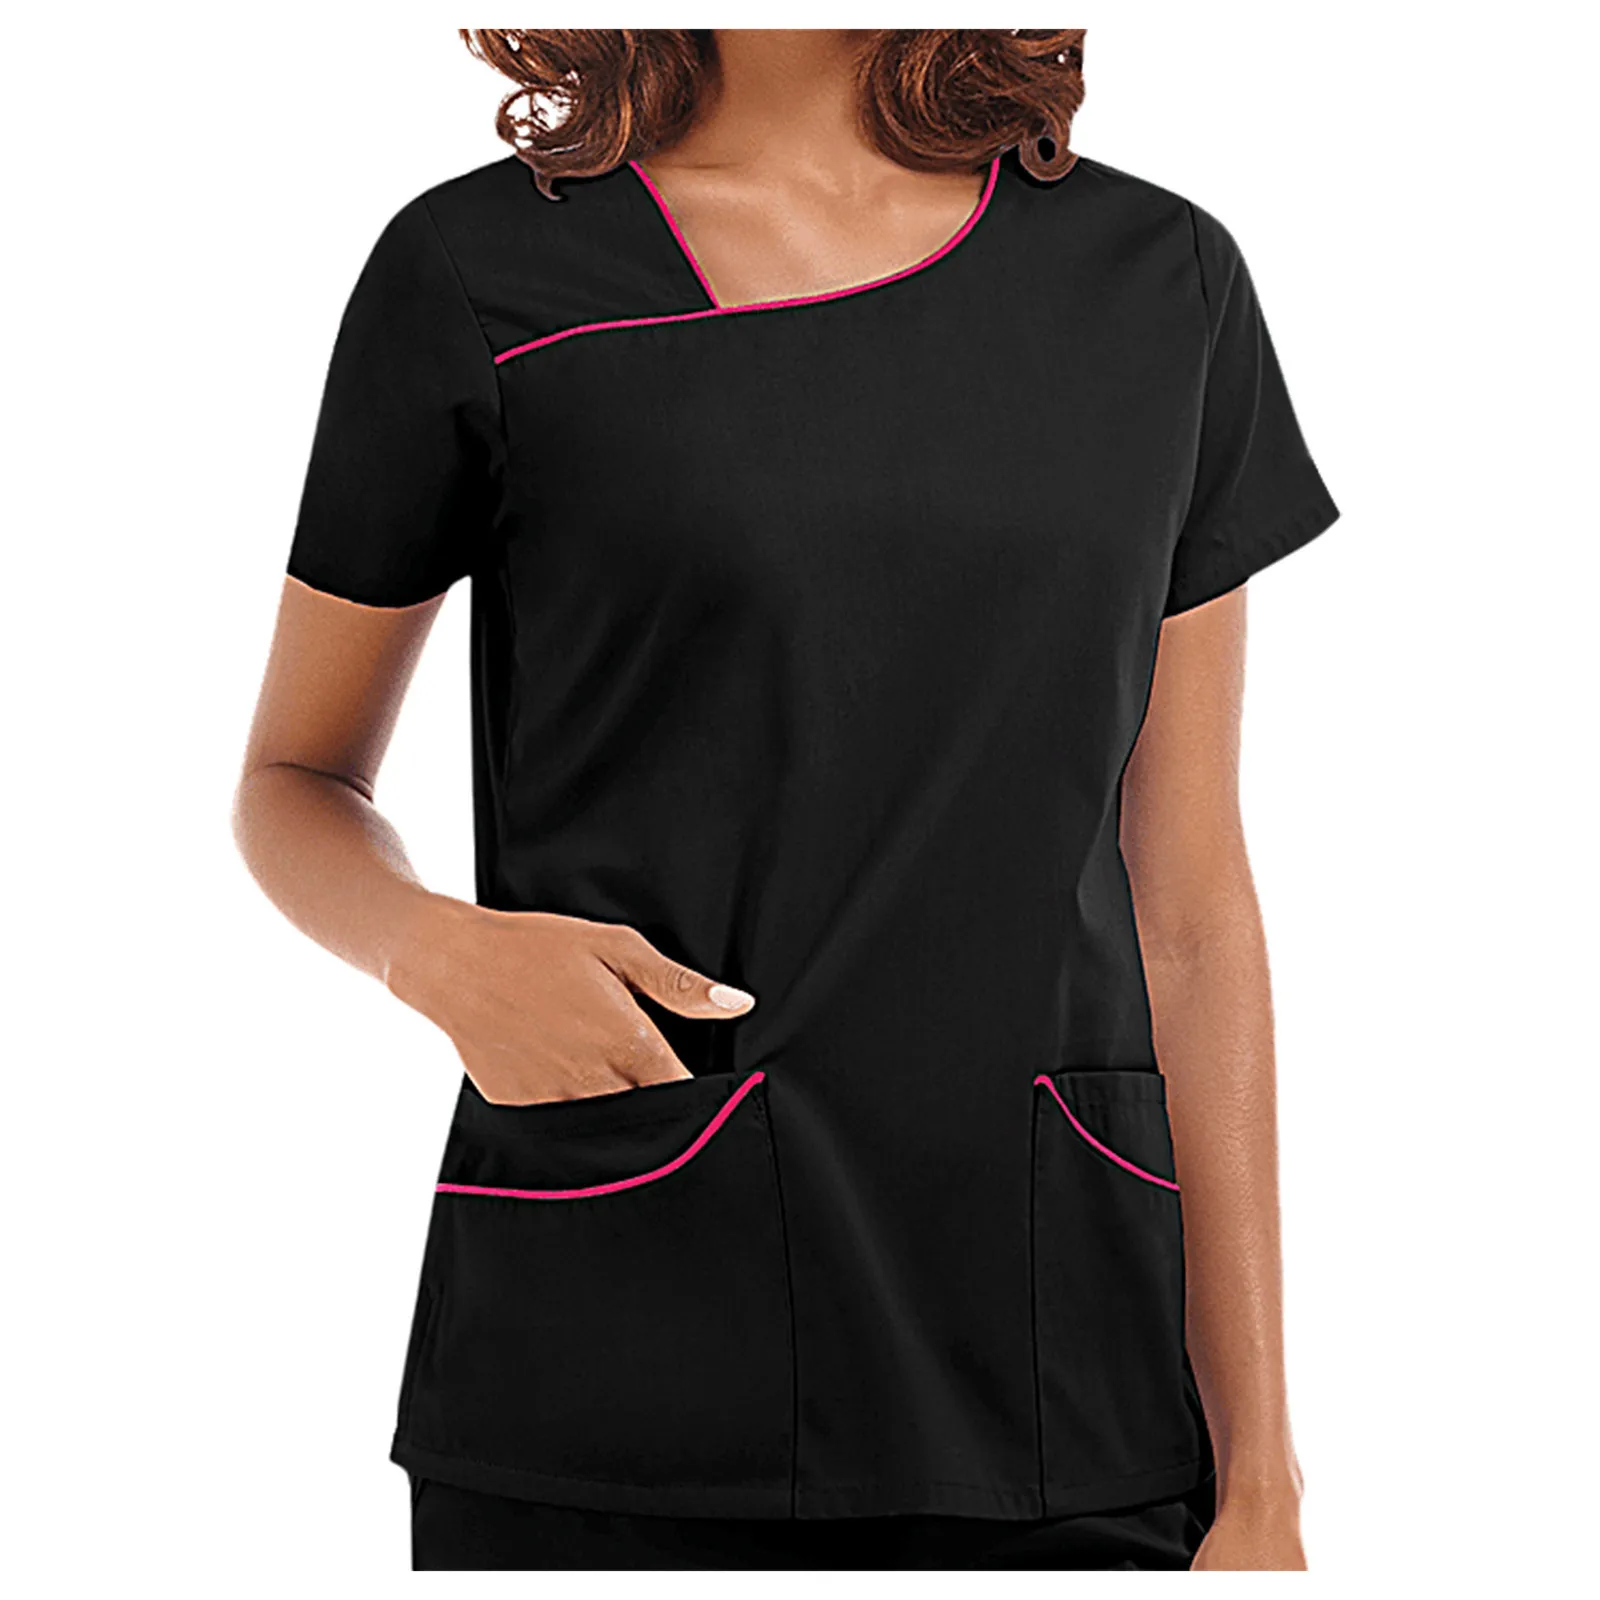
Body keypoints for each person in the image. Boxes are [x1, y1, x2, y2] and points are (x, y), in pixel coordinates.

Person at [234, 28, 1339, 1571]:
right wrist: (434, 951)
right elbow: (292, 780)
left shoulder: (1161, 283)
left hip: (1058, 1368)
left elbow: (1195, 906)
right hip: (614, 1345)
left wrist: (1264, 1474)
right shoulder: (483, 270)